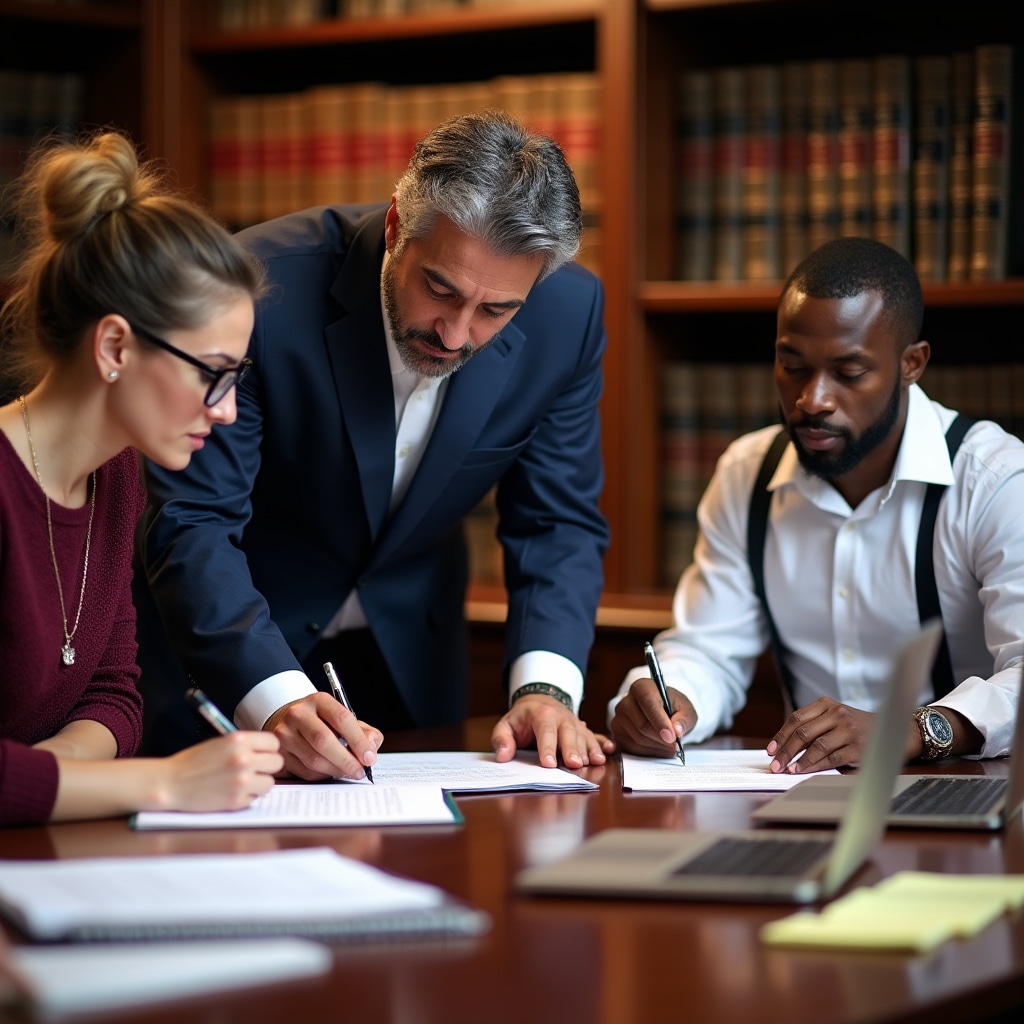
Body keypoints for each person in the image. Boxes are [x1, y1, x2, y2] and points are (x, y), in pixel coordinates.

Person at [135, 110, 613, 779]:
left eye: (496, 311)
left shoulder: (570, 316)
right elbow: (194, 520)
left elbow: (558, 521)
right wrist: (275, 696)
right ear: (395, 226)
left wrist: (546, 689)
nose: (455, 334)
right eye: (438, 289)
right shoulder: (255, 289)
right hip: (233, 658)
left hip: (411, 665)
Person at [610, 236, 1023, 773]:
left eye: (849, 373)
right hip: (798, 794)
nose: (812, 400)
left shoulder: (993, 479)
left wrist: (918, 729)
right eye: (793, 365)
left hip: (963, 789)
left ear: (911, 364)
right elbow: (709, 649)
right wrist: (671, 703)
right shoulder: (746, 472)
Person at [0, 130, 283, 825]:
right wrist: (164, 785)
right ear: (115, 345)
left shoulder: (118, 477)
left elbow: (114, 695)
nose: (227, 412)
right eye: (212, 373)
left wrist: (39, 780)